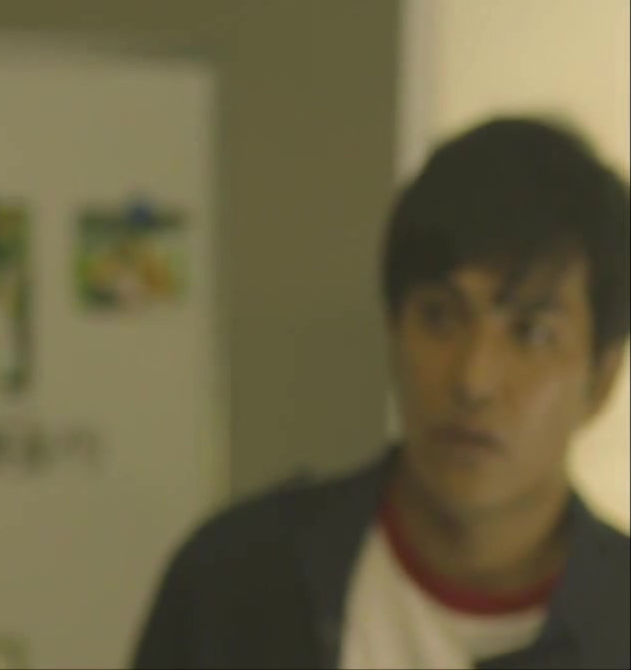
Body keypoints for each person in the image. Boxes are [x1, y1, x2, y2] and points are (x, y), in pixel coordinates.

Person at [133, 117, 630, 669]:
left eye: (532, 334)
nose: (474, 380)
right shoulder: (234, 581)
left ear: (602, 378)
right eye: (439, 317)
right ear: (394, 332)